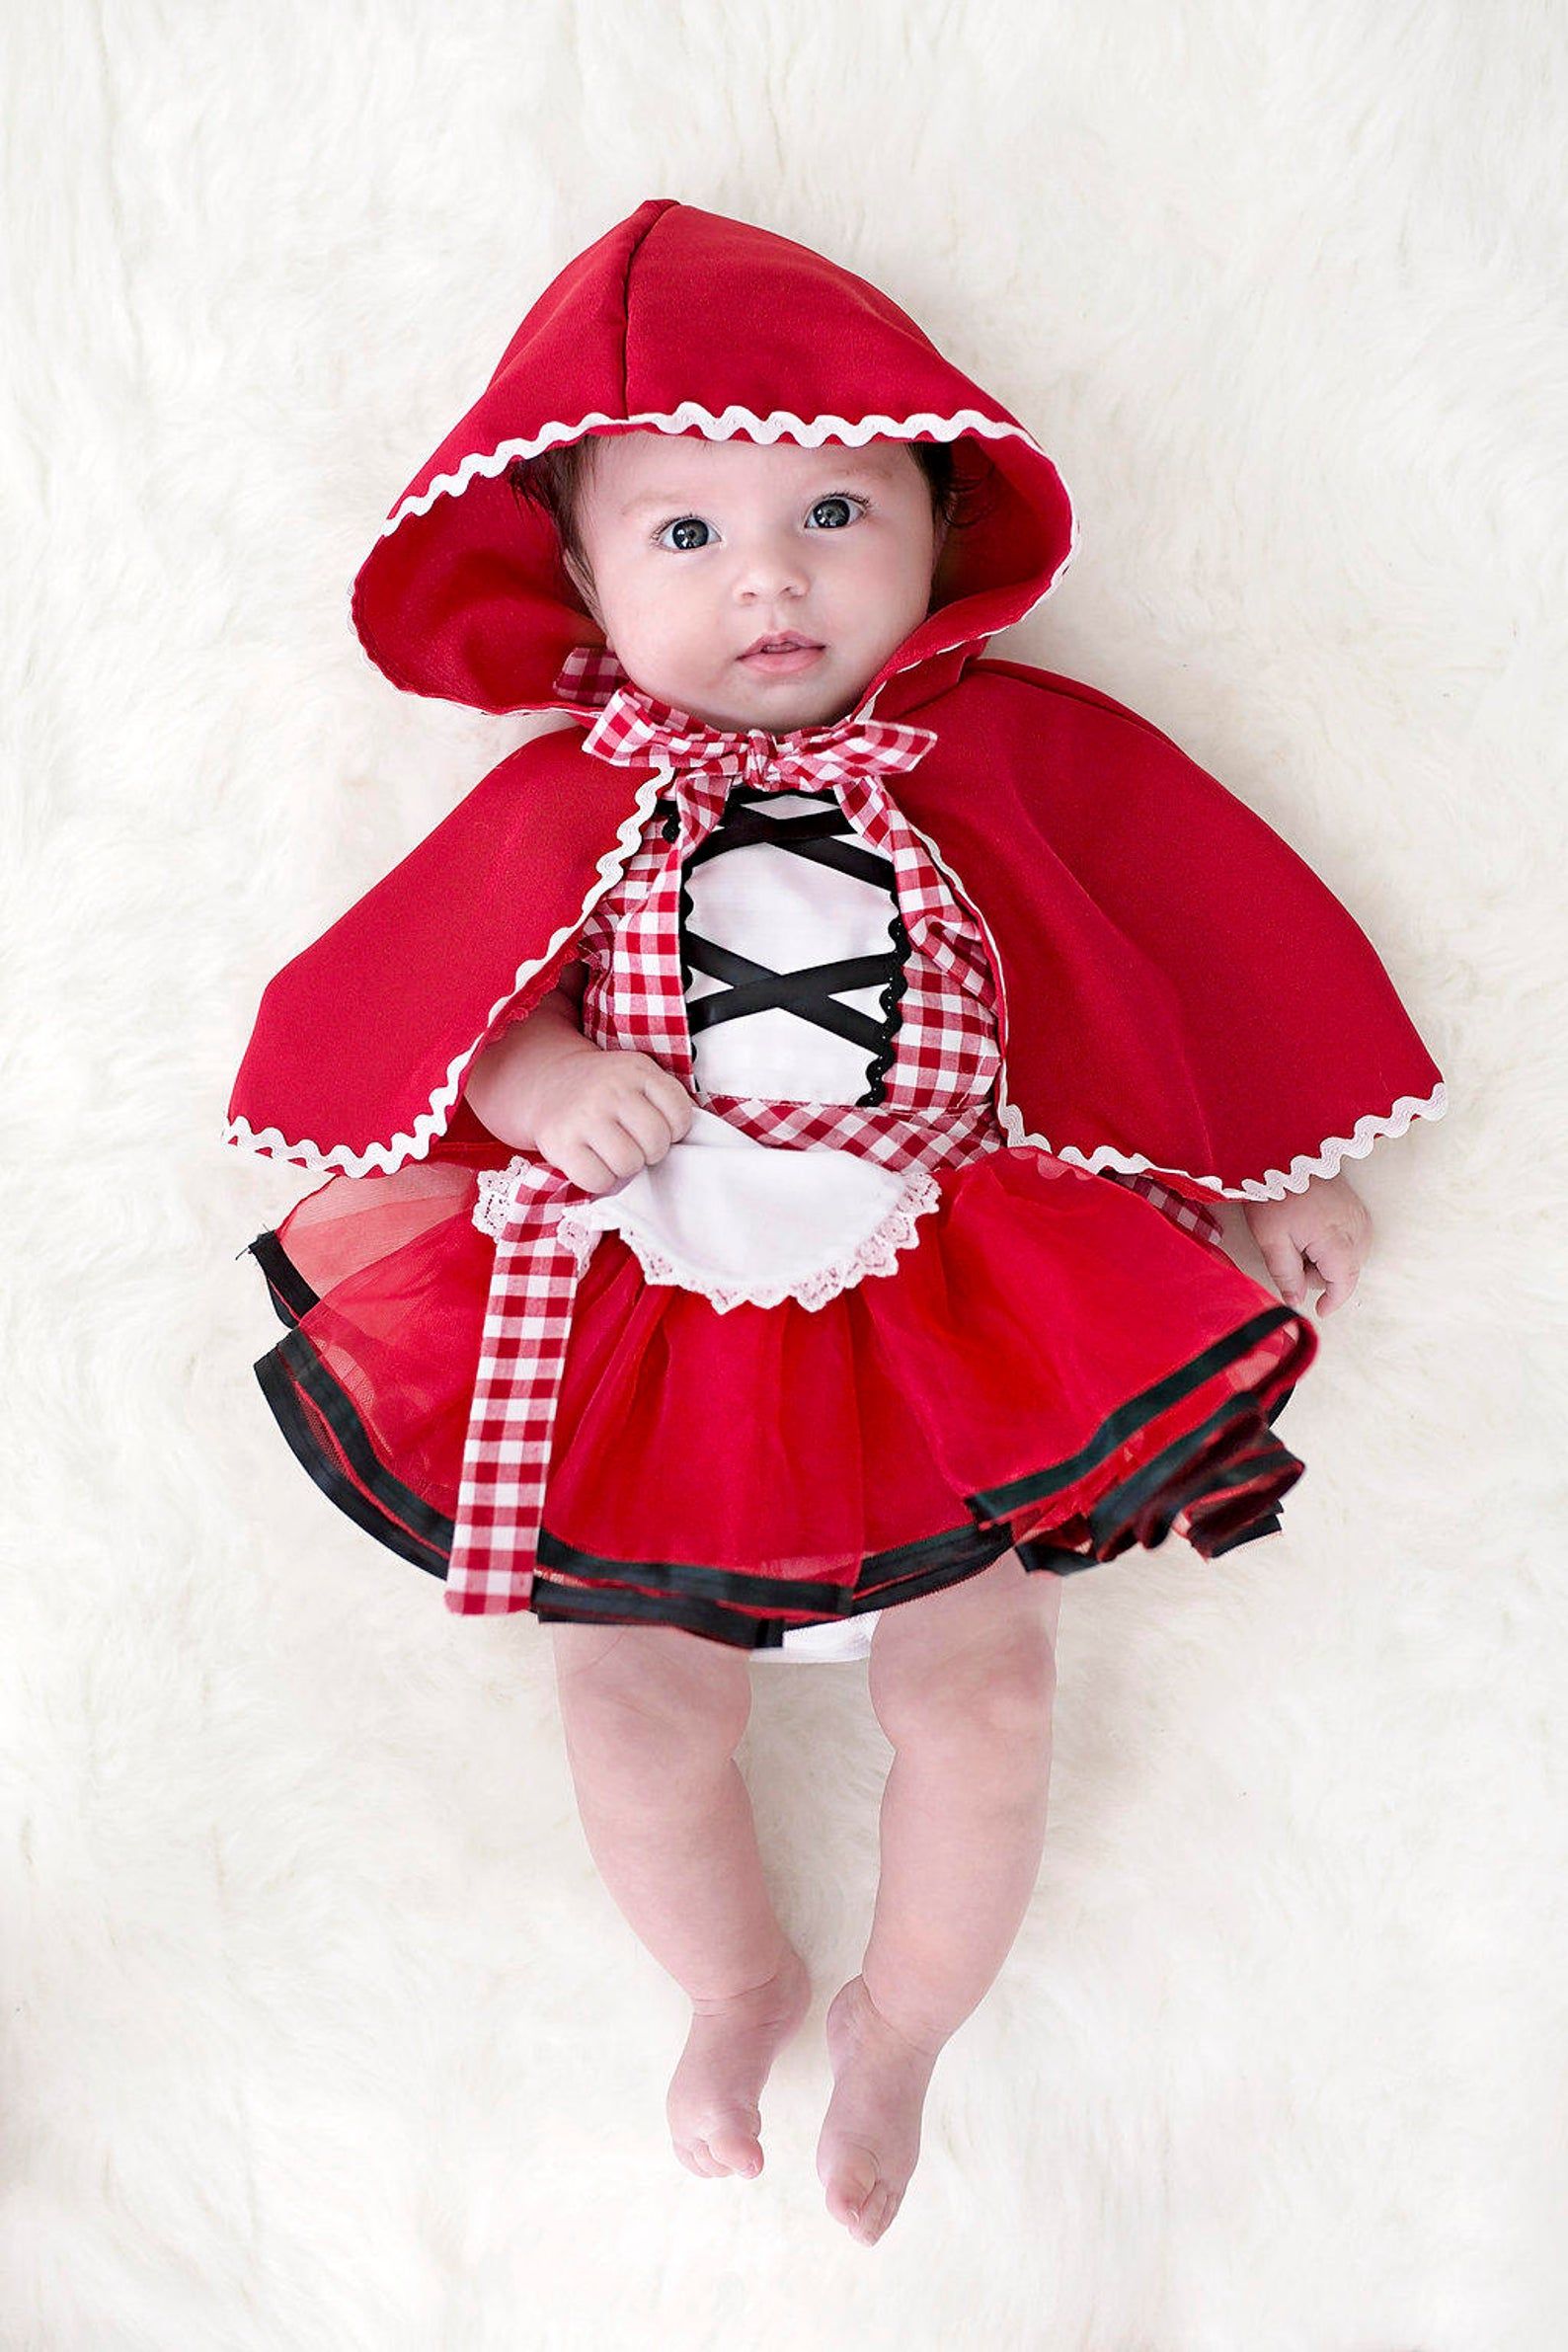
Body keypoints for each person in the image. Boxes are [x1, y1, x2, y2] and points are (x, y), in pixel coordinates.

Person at [224, 198, 1447, 2245]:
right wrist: (529, 1073)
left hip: (955, 1295)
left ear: (937, 525)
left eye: (831, 510)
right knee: (625, 1698)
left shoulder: (1023, 755)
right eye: (683, 534)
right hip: (645, 1308)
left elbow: (1154, 967)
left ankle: (899, 2025)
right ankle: (734, 1983)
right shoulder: (569, 795)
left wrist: (1255, 1162)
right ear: (581, 580)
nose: (769, 575)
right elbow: (406, 999)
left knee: (980, 1697)